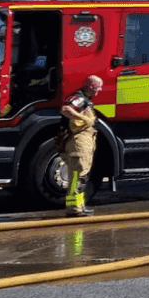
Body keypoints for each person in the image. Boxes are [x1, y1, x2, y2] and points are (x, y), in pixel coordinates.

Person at [61, 75, 101, 217]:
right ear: (91, 87)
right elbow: (66, 109)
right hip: (78, 141)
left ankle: (79, 207)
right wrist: (83, 118)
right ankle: (74, 209)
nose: (99, 90)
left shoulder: (86, 99)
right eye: (98, 88)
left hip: (85, 139)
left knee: (81, 176)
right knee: (77, 175)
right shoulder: (79, 98)